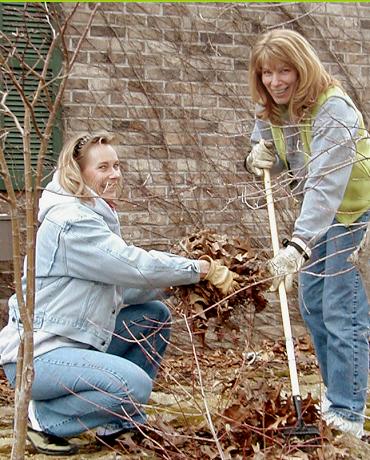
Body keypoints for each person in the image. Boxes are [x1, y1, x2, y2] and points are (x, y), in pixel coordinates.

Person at [0, 132, 236, 455]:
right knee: (133, 386)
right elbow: (134, 264)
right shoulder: (72, 222)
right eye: (103, 167)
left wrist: (181, 283)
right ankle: (45, 417)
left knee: (153, 316)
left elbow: (122, 290)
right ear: (77, 172)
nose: (114, 174)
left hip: (71, 343)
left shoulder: (92, 214)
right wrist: (198, 268)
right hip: (38, 356)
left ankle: (119, 424)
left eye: (117, 165)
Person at [246, 29, 370, 438]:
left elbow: (325, 184)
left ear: (303, 68)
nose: (275, 81)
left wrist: (297, 245)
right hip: (321, 214)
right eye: (266, 73)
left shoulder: (334, 110)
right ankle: (337, 395)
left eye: (284, 71)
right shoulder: (274, 108)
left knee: (341, 308)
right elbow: (270, 150)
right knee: (313, 304)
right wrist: (255, 157)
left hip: (355, 210)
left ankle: (348, 413)